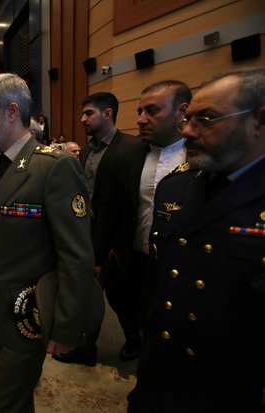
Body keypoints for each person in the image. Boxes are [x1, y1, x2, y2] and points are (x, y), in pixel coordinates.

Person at [0, 74, 104, 413]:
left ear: (11, 112)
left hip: (27, 318)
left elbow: (76, 256)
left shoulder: (54, 167)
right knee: (17, 402)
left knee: (2, 406)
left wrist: (66, 326)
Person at [127, 68, 265, 413]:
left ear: (259, 122)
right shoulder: (178, 184)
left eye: (206, 119)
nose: (187, 130)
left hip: (231, 389)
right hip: (160, 373)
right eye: (188, 119)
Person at [93, 80, 191, 362]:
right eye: (139, 111)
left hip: (176, 263)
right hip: (130, 256)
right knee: (124, 304)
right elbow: (106, 211)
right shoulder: (123, 157)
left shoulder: (200, 158)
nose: (140, 119)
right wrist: (98, 258)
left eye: (152, 111)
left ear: (181, 111)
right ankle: (132, 339)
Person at [57, 92, 137, 366]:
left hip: (113, 239)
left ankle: (134, 340)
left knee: (118, 296)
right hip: (87, 235)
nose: (82, 119)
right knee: (88, 294)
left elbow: (127, 205)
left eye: (89, 113)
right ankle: (87, 348)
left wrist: (113, 248)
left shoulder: (130, 148)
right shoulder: (89, 149)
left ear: (108, 113)